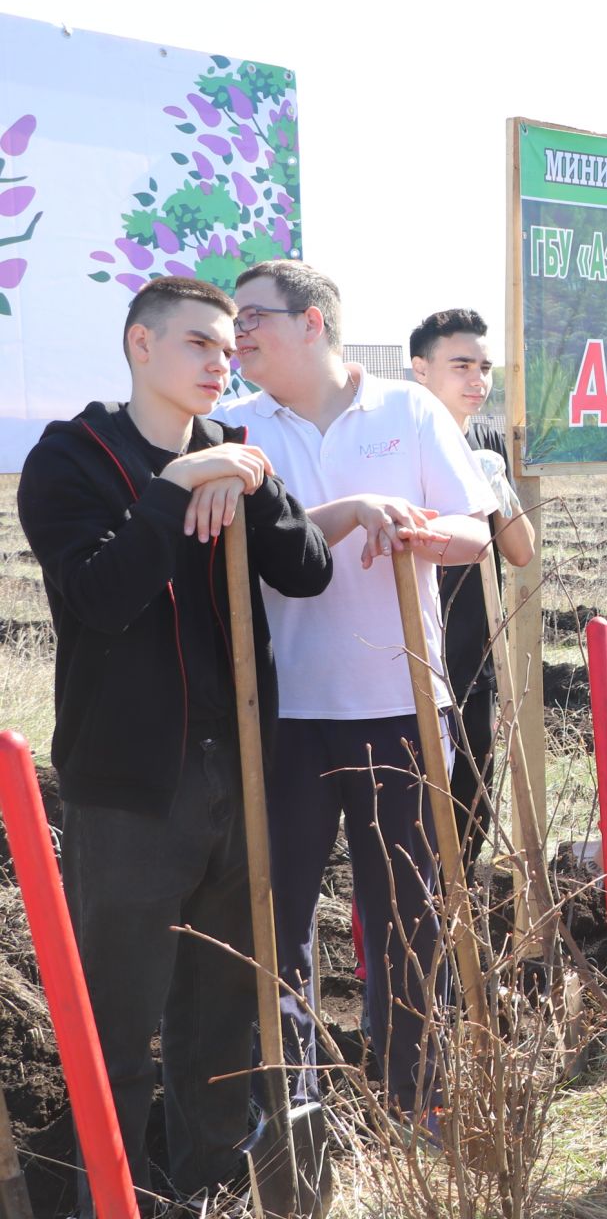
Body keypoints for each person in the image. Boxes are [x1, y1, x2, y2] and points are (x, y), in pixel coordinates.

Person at [17, 276, 333, 1212]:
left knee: (219, 1012)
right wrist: (172, 490)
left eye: (229, 348)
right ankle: (96, 1199)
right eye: (199, 343)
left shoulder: (235, 451)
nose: (219, 363)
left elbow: (306, 571)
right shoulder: (69, 460)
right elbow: (100, 597)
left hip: (237, 771)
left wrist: (255, 482)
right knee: (114, 1015)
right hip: (128, 787)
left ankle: (206, 1187)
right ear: (140, 346)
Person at [216, 260, 497, 1120]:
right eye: (233, 322)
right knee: (279, 911)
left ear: (312, 323)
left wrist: (420, 530)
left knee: (408, 911)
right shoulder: (232, 426)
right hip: (284, 711)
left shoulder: (408, 412)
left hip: (398, 703)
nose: (239, 335)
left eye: (253, 317)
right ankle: (291, 1106)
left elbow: (474, 528)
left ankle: (416, 1096)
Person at [408, 308, 537, 871]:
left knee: (472, 796)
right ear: (420, 369)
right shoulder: (400, 437)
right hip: (410, 652)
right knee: (411, 805)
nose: (477, 380)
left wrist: (498, 489)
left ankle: (456, 918)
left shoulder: (486, 441)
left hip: (475, 652)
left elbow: (522, 552)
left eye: (484, 367)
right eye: (461, 365)